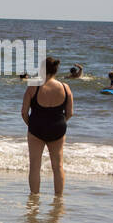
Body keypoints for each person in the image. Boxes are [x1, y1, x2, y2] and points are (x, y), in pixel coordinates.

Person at [22, 55, 73, 195]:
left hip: (36, 129)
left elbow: (24, 113)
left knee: (35, 167)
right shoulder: (65, 87)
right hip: (57, 129)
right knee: (58, 166)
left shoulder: (33, 86)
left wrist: (31, 125)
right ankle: (58, 199)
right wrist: (58, 123)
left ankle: (34, 198)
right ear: (56, 70)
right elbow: (69, 113)